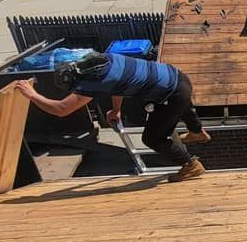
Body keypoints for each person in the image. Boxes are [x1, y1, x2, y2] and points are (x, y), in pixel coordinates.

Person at [15, 52, 210, 182]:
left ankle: (191, 165)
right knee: (178, 101)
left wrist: (32, 95)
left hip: (172, 95)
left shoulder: (94, 82)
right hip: (178, 77)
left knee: (153, 138)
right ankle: (197, 131)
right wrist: (116, 110)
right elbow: (119, 86)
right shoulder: (104, 60)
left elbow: (61, 109)